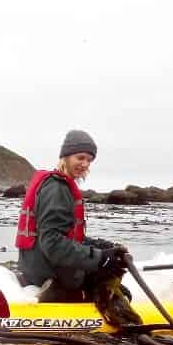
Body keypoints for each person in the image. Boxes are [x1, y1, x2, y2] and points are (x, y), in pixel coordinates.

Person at [16, 129, 131, 302]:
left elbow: (67, 237)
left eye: (89, 160)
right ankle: (60, 295)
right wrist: (100, 259)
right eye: (80, 158)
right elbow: (53, 243)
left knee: (114, 279)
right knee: (116, 292)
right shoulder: (57, 189)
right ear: (66, 157)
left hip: (38, 266)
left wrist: (104, 248)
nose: (85, 164)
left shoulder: (58, 185)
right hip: (46, 273)